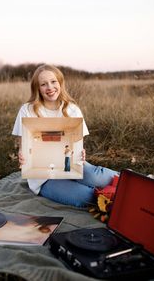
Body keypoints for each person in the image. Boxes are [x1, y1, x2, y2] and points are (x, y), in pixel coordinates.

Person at [12, 64, 119, 208]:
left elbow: (78, 145)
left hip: (70, 166)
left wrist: (81, 153)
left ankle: (132, 182)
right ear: (37, 88)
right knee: (86, 197)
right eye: (43, 84)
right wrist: (22, 154)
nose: (50, 87)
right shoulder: (27, 110)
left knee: (96, 176)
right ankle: (113, 200)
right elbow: (22, 145)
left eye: (53, 81)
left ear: (60, 83)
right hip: (44, 177)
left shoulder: (72, 109)